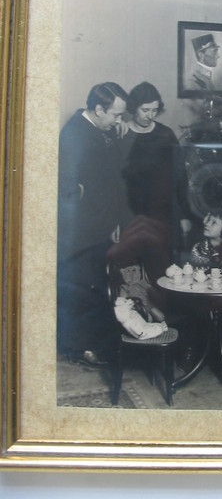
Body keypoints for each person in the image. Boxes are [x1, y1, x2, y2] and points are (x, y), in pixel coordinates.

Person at [57, 81, 128, 366]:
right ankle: (79, 348)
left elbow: (109, 177)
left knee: (96, 285)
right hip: (81, 233)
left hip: (100, 225)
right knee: (83, 289)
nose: (118, 121)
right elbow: (66, 187)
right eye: (116, 115)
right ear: (99, 109)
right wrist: (80, 197)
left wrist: (112, 219)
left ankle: (90, 344)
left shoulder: (98, 129)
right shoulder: (74, 134)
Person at [107, 81, 191, 284]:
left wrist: (184, 215)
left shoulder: (166, 135)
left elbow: (180, 178)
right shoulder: (121, 135)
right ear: (133, 107)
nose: (150, 115)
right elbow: (112, 182)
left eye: (154, 110)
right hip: (129, 215)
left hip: (162, 216)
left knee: (163, 273)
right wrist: (113, 220)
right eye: (145, 110)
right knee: (130, 275)